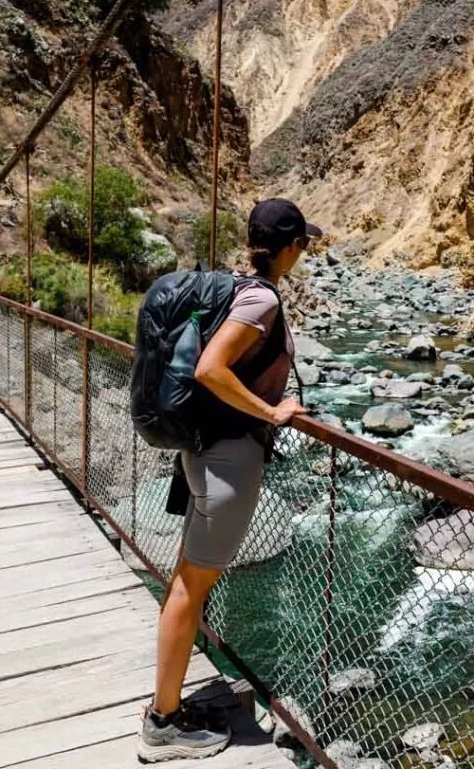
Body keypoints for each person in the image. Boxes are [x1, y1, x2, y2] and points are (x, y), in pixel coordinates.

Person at [138, 198, 322, 763]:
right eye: (303, 244)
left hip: (203, 452)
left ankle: (166, 706)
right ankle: (164, 724)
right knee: (191, 588)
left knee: (184, 582)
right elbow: (210, 368)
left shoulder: (233, 285)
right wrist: (270, 414)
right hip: (228, 461)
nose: (304, 252)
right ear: (289, 248)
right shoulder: (261, 297)